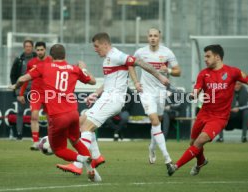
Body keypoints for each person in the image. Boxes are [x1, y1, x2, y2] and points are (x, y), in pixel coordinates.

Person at [56, 32, 169, 175]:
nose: (95, 49)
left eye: (97, 46)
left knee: (86, 127)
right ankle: (96, 157)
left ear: (105, 44)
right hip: (106, 97)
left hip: (113, 99)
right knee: (81, 121)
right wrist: (95, 94)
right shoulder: (108, 59)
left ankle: (77, 165)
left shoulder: (117, 55)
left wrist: (159, 76)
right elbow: (108, 82)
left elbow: (139, 62)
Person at [10, 44, 101, 182]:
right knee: (75, 140)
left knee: (58, 149)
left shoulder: (44, 66)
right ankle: (93, 172)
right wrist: (83, 68)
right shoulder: (74, 69)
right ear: (65, 56)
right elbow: (93, 81)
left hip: (57, 116)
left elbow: (22, 79)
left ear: (51, 56)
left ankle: (81, 159)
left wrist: (15, 86)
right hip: (72, 113)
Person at [167, 44, 248, 176]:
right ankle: (201, 162)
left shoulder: (233, 72)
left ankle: (175, 166)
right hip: (204, 113)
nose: (205, 59)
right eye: (204, 56)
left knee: (199, 141)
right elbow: (197, 87)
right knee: (193, 142)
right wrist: (194, 94)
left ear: (217, 57)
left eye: (208, 56)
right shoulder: (203, 74)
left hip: (219, 117)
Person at [129, 28, 181, 170]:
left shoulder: (167, 52)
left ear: (159, 37)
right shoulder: (140, 52)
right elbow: (130, 66)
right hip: (146, 91)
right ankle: (167, 158)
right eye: (150, 35)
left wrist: (168, 70)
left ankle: (152, 147)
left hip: (160, 92)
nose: (153, 38)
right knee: (154, 120)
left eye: (155, 36)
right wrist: (136, 82)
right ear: (147, 37)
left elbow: (178, 71)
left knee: (157, 120)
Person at [19, 42, 52, 150]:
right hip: (36, 93)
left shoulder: (51, 61)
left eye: (42, 50)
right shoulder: (31, 63)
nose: (40, 52)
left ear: (45, 50)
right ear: (35, 50)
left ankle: (51, 142)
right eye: (38, 50)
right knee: (34, 116)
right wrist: (21, 93)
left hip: (49, 93)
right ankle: (35, 142)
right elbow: (26, 78)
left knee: (50, 119)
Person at [10, 40, 37, 140]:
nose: (28, 48)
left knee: (35, 112)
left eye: (30, 46)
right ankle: (19, 134)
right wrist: (17, 93)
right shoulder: (19, 60)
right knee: (20, 111)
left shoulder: (37, 59)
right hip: (22, 90)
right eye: (26, 46)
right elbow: (13, 76)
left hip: (35, 90)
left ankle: (35, 134)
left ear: (32, 47)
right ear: (24, 47)